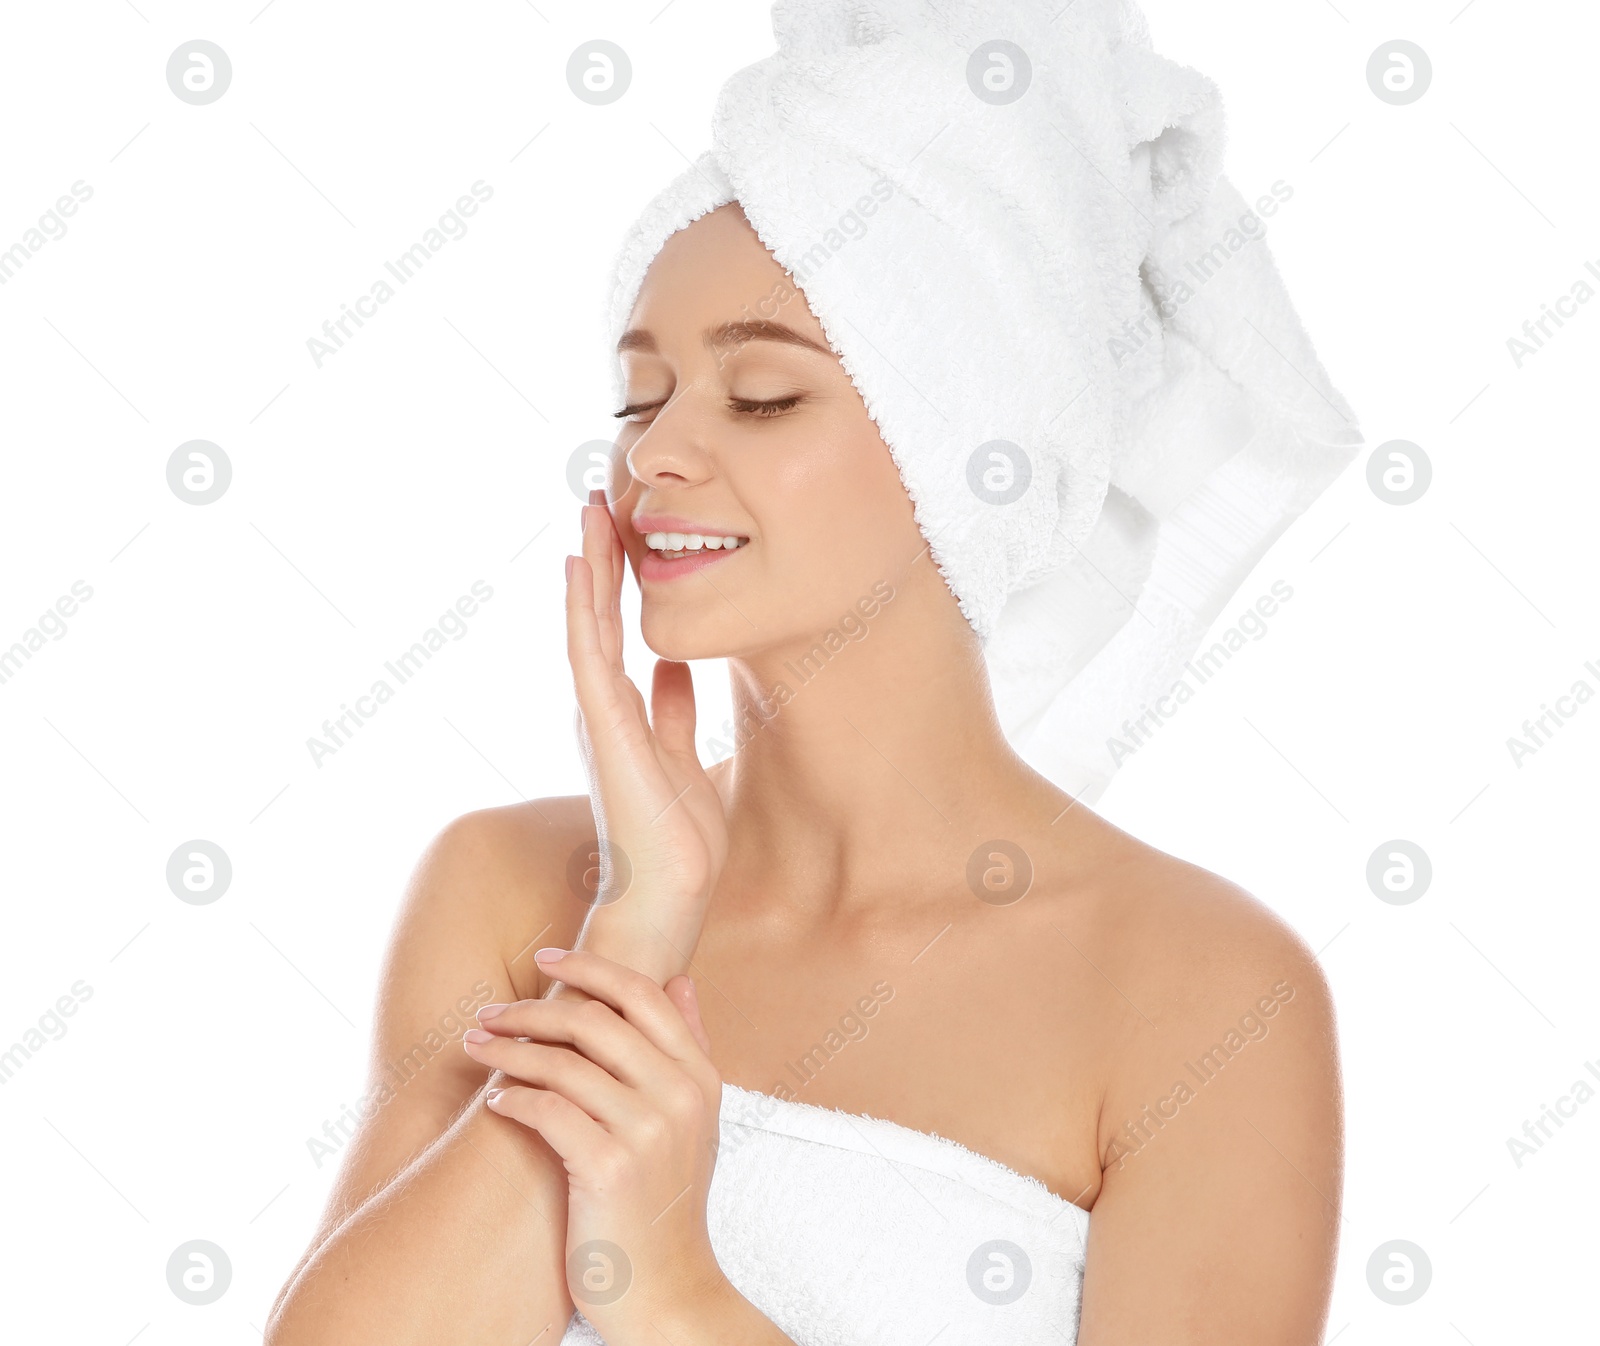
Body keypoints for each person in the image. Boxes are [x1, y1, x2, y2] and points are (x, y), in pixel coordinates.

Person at [267, 3, 1353, 1342]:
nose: (655, 452)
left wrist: (675, 1293)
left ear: (967, 451)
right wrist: (642, 920)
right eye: (639, 397)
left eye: (763, 395)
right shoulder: (514, 896)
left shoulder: (1206, 995)